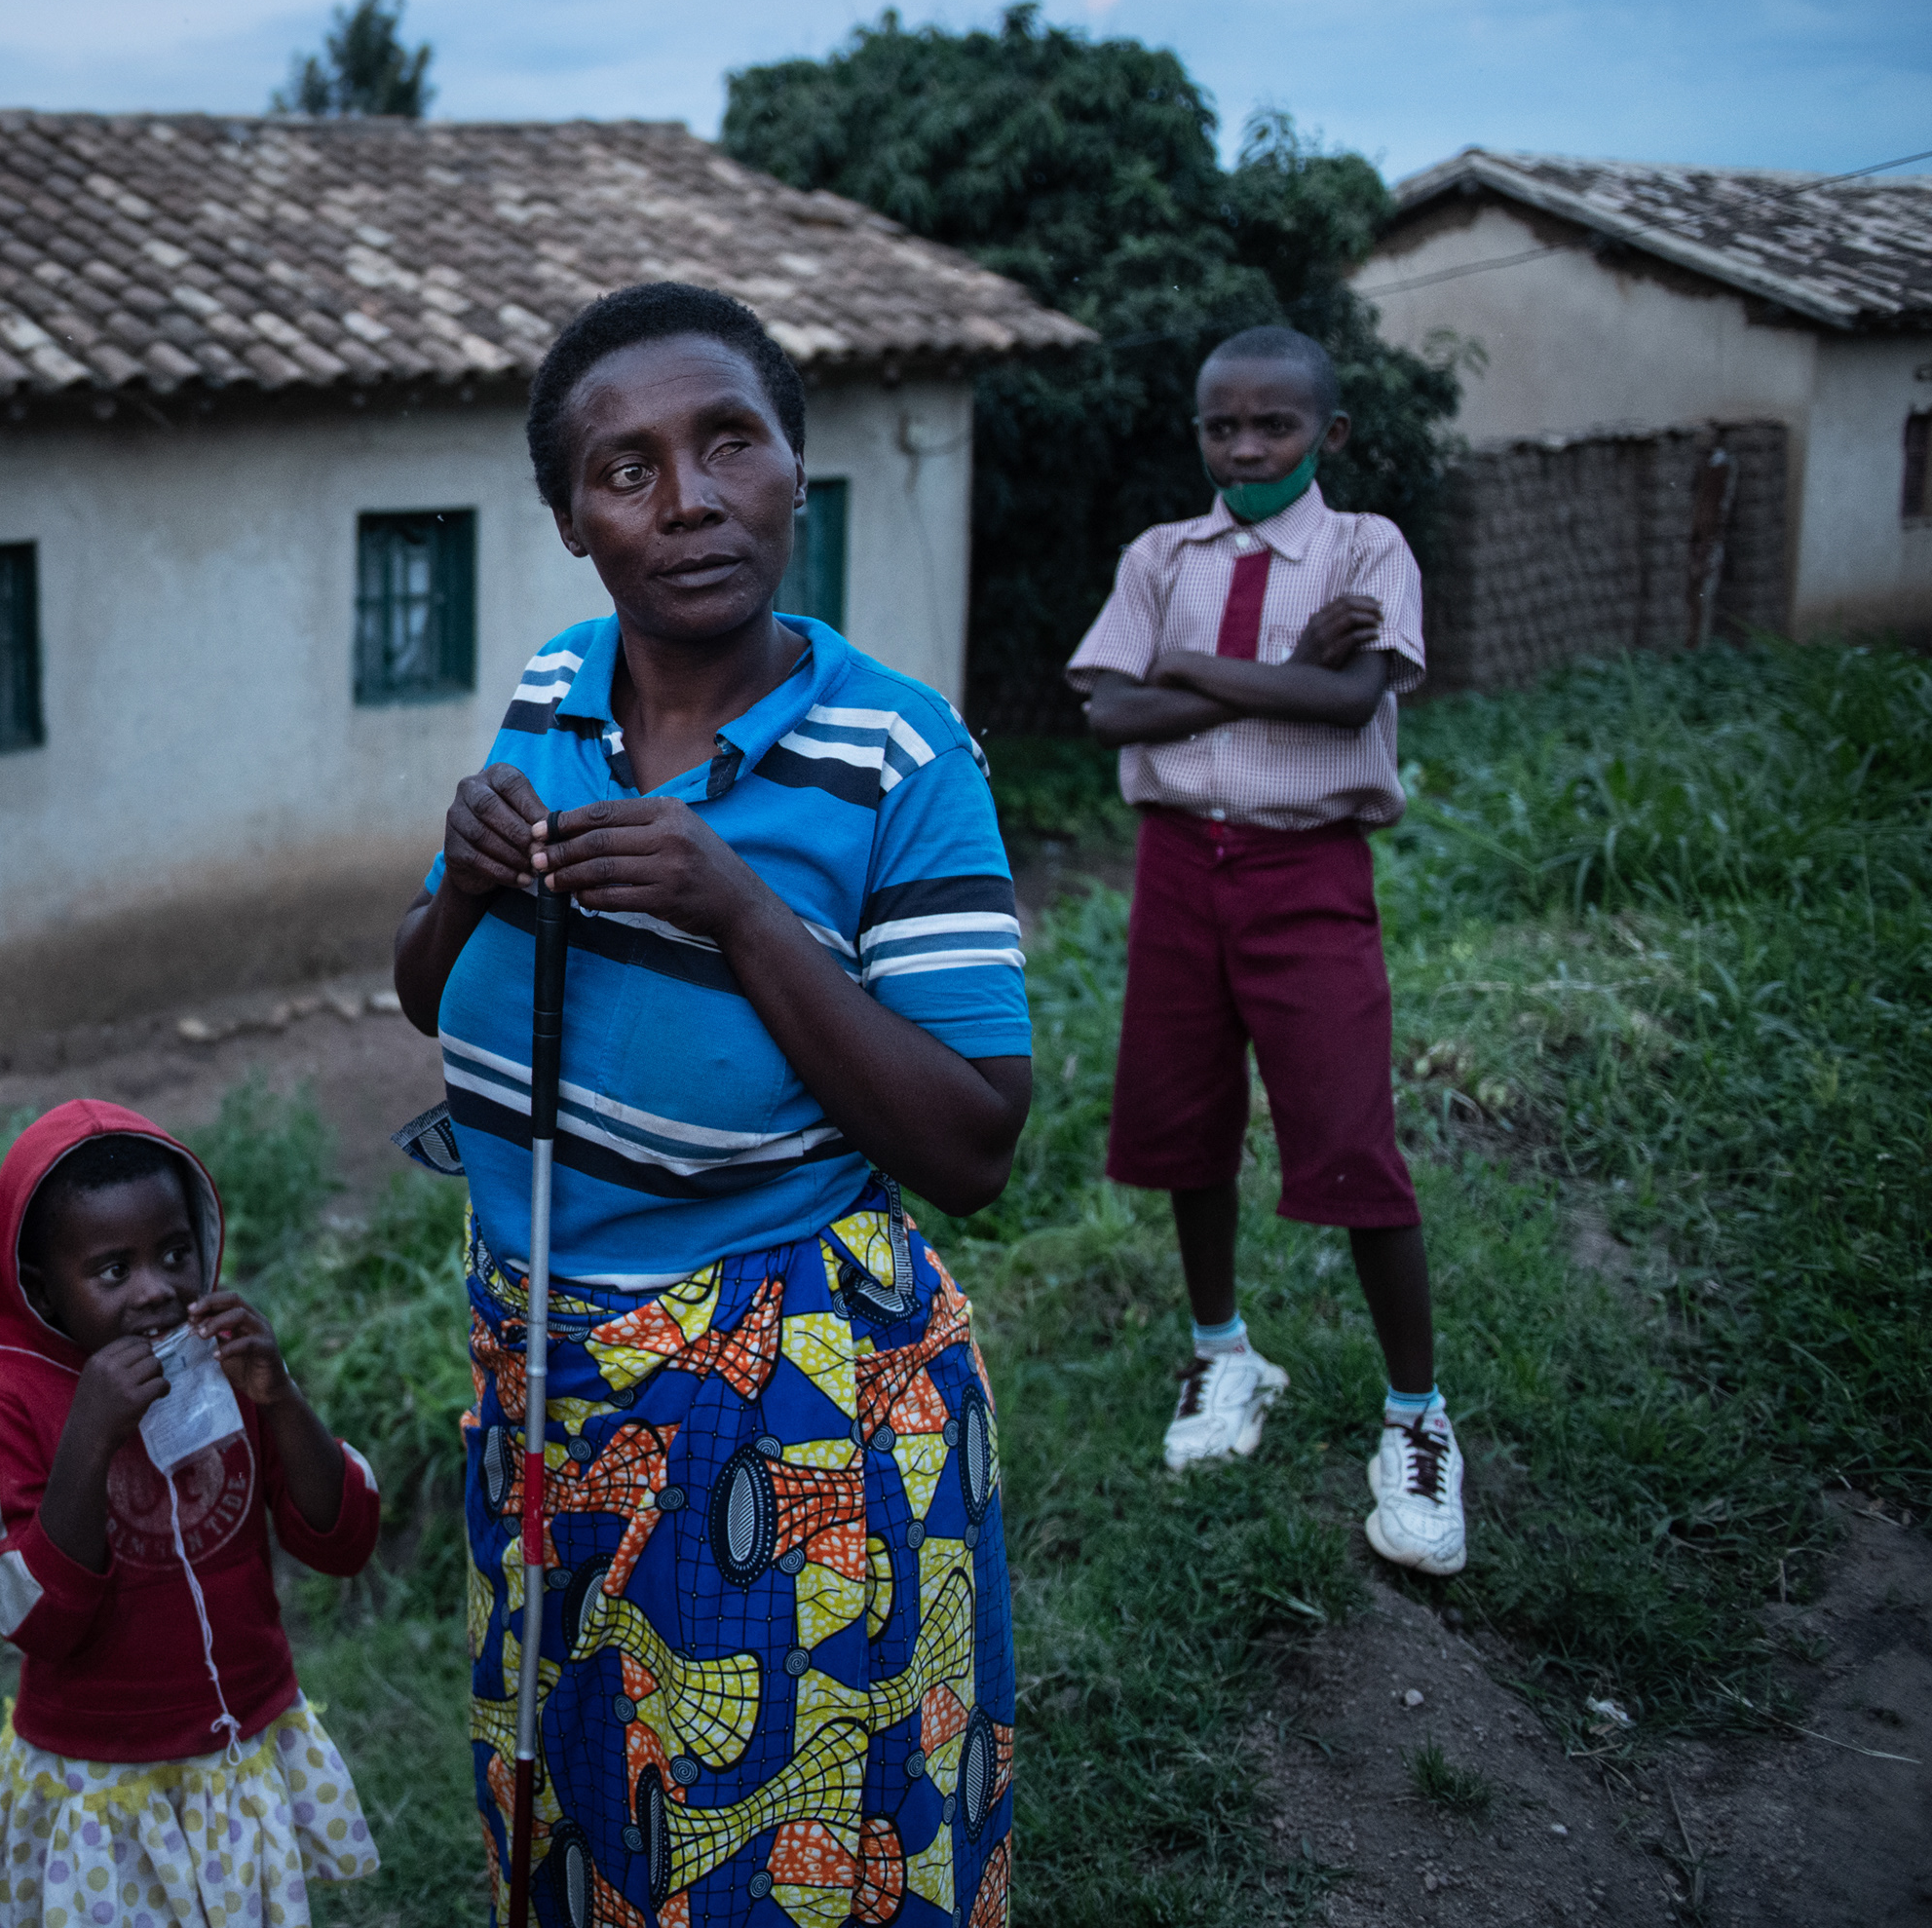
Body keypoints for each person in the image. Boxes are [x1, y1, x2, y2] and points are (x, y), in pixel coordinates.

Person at [395, 281, 1030, 1928]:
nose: (688, 501)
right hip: (539, 1372)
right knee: (584, 1791)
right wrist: (464, 889)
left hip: (777, 1408)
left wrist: (739, 911)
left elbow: (974, 1141)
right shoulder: (553, 687)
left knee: (762, 1841)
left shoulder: (901, 754)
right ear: (570, 522)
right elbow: (432, 1001)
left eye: (727, 441)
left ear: (793, 466)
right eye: (627, 470)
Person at [1065, 325, 1461, 1576]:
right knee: (1184, 1119)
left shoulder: (1365, 548)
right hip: (1181, 865)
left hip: (1308, 870)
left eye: (1273, 426)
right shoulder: (1159, 557)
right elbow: (1110, 710)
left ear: (1327, 435)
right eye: (1221, 427)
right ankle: (1222, 1349)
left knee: (1350, 1132)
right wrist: (1270, 669)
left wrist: (1200, 673)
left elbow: (1355, 701)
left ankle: (1418, 1418)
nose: (1245, 448)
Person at [0, 1101, 384, 1926]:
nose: (156, 1291)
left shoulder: (228, 1366)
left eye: (175, 1253)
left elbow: (343, 1539)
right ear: (42, 1288)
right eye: (112, 1271)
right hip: (102, 1777)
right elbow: (32, 1619)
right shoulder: (10, 1406)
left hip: (237, 1748)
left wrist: (279, 1397)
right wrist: (89, 1438)